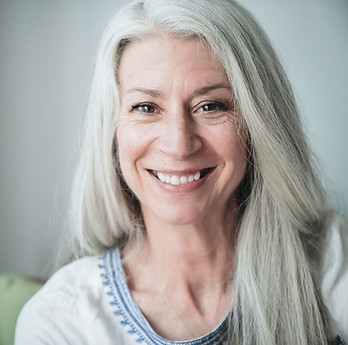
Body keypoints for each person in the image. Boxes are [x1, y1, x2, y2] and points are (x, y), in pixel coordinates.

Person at [15, 0, 347, 344]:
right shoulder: (61, 320)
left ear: (258, 123)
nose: (178, 144)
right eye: (146, 107)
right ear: (111, 132)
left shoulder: (333, 266)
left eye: (211, 105)